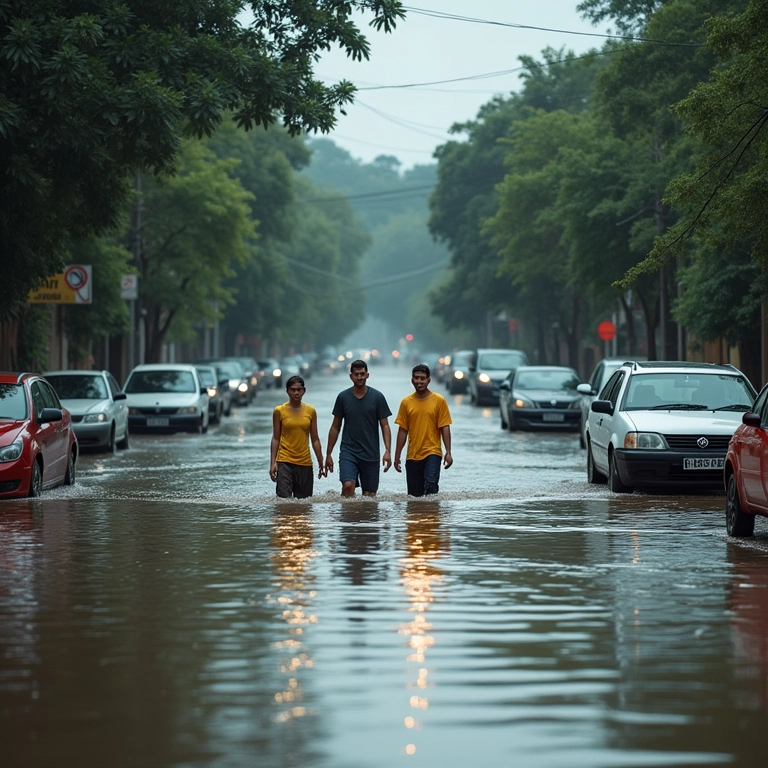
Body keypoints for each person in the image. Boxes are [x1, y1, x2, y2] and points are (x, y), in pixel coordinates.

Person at [325, 359, 392, 497]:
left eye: (362, 374)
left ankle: (361, 518)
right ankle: (347, 517)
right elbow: (335, 427)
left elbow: (384, 425)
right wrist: (328, 454)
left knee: (369, 495)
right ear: (351, 376)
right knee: (348, 486)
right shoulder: (343, 397)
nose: (360, 377)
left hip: (371, 453)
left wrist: (387, 451)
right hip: (349, 452)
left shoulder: (377, 397)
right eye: (356, 374)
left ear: (367, 375)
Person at [393, 364, 453, 496]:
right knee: (415, 497)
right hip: (413, 455)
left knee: (431, 485)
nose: (419, 382)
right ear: (412, 379)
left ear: (429, 380)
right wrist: (397, 456)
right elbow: (402, 430)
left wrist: (448, 452)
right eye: (416, 378)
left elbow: (445, 427)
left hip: (433, 452)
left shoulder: (439, 401)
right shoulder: (406, 403)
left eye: (422, 378)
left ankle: (433, 515)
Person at [269, 375, 325, 499]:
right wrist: (273, 463)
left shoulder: (310, 411)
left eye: (299, 390)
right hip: (284, 461)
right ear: (287, 391)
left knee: (304, 504)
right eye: (293, 390)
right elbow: (276, 438)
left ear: (303, 391)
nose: (296, 393)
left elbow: (315, 439)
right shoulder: (279, 411)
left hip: (304, 463)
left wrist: (321, 462)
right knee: (284, 502)